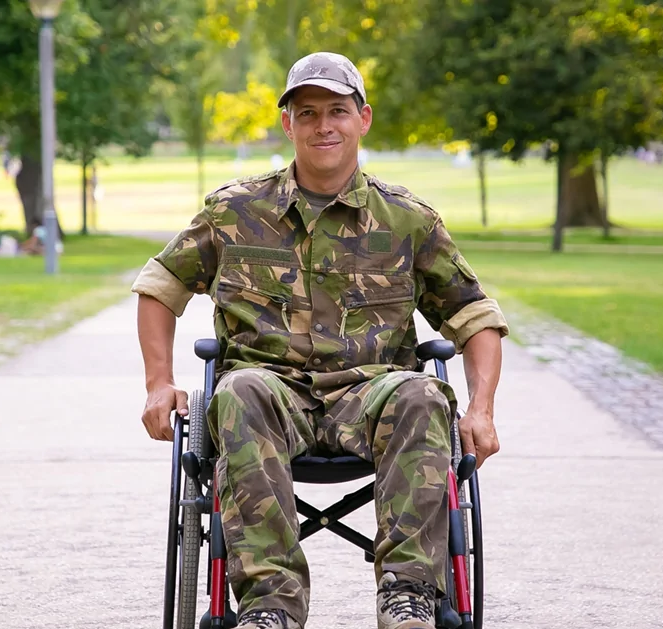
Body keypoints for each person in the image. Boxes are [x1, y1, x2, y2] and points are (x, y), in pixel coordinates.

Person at [132, 51, 508, 629]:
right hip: (272, 396)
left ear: (364, 118)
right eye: (307, 113)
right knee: (240, 391)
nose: (323, 125)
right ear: (288, 124)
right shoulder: (235, 211)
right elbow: (160, 287)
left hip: (374, 395)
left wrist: (481, 408)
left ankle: (408, 594)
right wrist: (159, 384)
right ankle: (269, 605)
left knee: (424, 395)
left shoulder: (407, 220)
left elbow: (474, 317)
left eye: (337, 110)